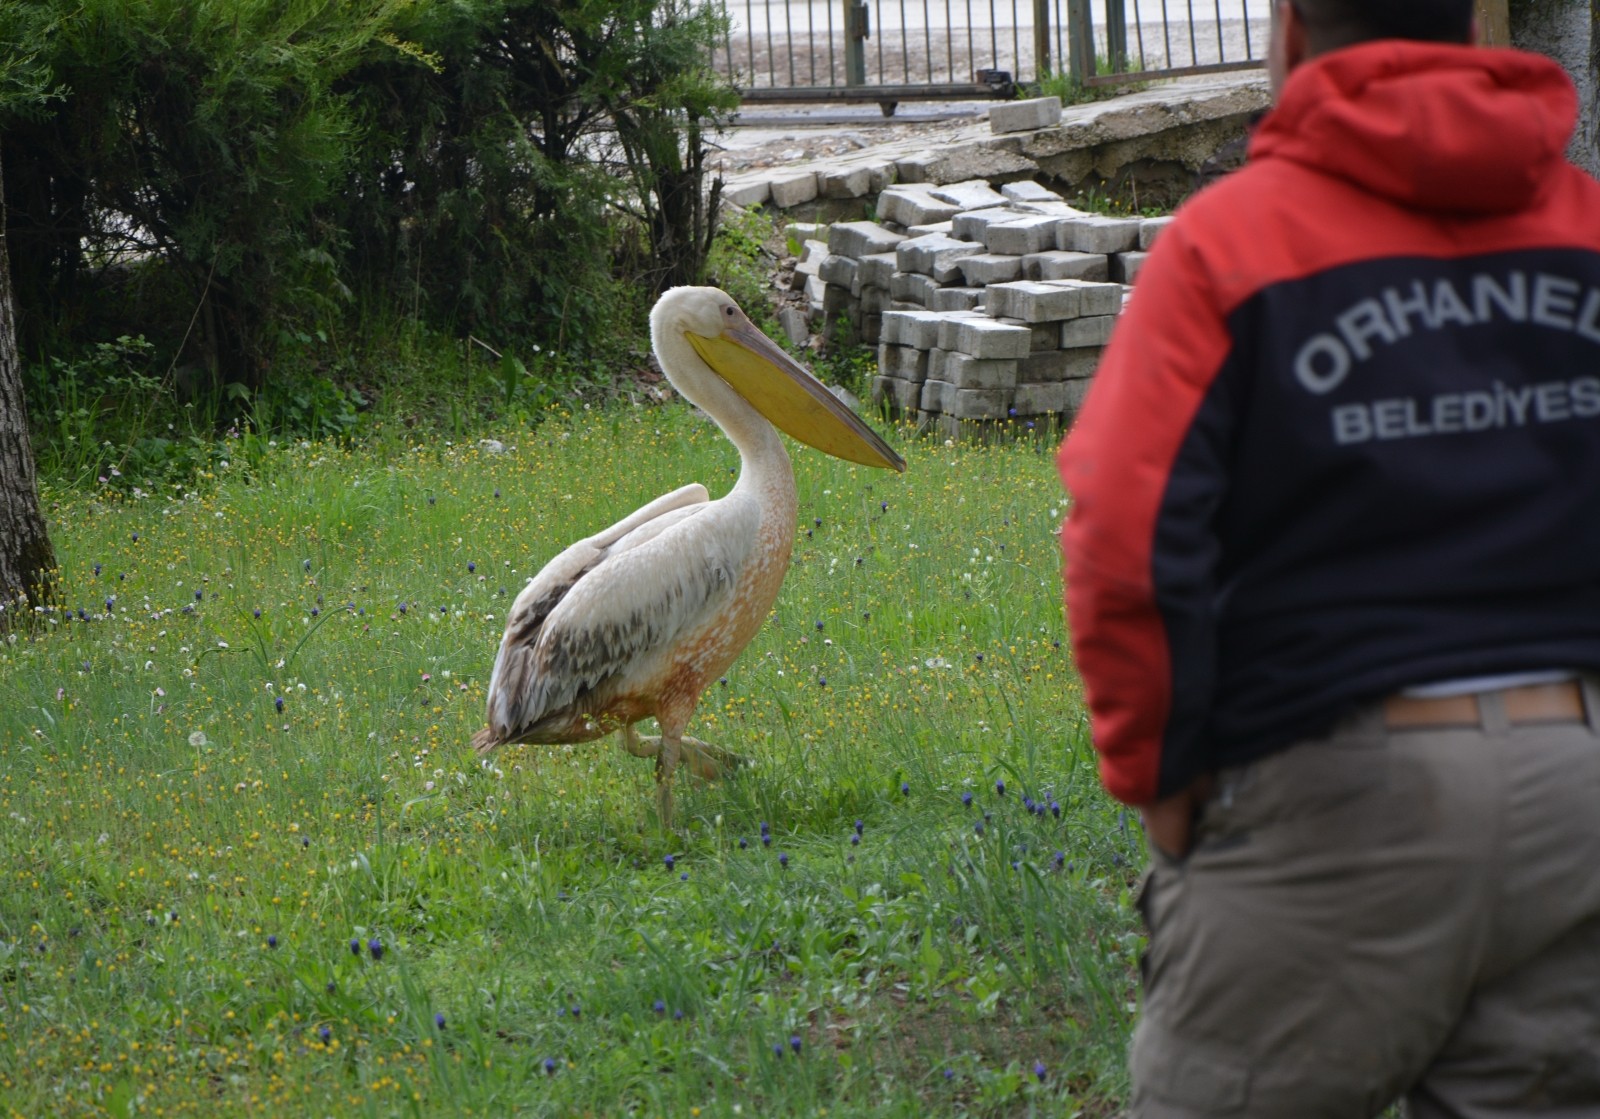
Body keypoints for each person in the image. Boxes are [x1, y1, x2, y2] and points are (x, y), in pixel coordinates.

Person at [1056, 1, 1600, 1114]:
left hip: (1336, 794)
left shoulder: (1226, 241)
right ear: (1471, 21)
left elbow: (1125, 537)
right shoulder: (1587, 227)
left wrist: (1155, 770)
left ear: (1291, 28)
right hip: (1579, 795)